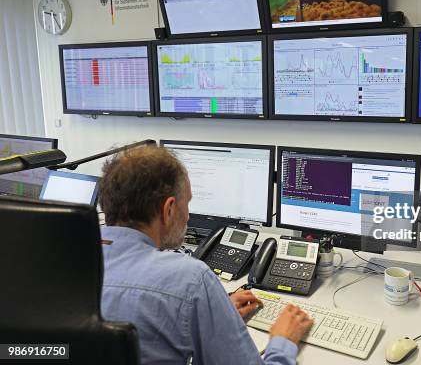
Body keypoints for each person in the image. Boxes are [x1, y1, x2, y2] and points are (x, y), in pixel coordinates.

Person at [98, 145, 313, 365]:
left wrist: (213, 316)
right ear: (168, 209)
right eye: (187, 203)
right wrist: (283, 342)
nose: (188, 215)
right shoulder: (189, 277)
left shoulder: (65, 262)